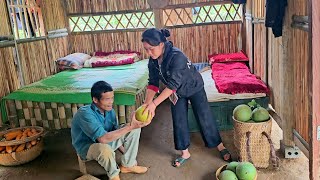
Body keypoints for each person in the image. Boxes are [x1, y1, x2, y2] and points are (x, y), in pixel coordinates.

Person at [141, 28, 232, 167]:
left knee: (204, 115)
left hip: (193, 86)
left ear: (161, 44)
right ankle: (185, 152)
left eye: (151, 49)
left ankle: (219, 145)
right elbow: (153, 82)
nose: (148, 52)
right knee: (178, 119)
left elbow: (172, 85)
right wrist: (147, 104)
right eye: (146, 49)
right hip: (176, 92)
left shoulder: (177, 56)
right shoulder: (152, 60)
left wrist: (154, 104)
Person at [71, 81, 151, 180]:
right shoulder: (84, 113)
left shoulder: (110, 111)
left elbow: (116, 134)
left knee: (134, 129)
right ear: (95, 99)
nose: (111, 102)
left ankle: (128, 165)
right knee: (105, 148)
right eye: (107, 99)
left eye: (112, 98)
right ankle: (113, 175)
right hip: (87, 148)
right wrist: (130, 126)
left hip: (105, 142)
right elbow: (103, 139)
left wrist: (127, 153)